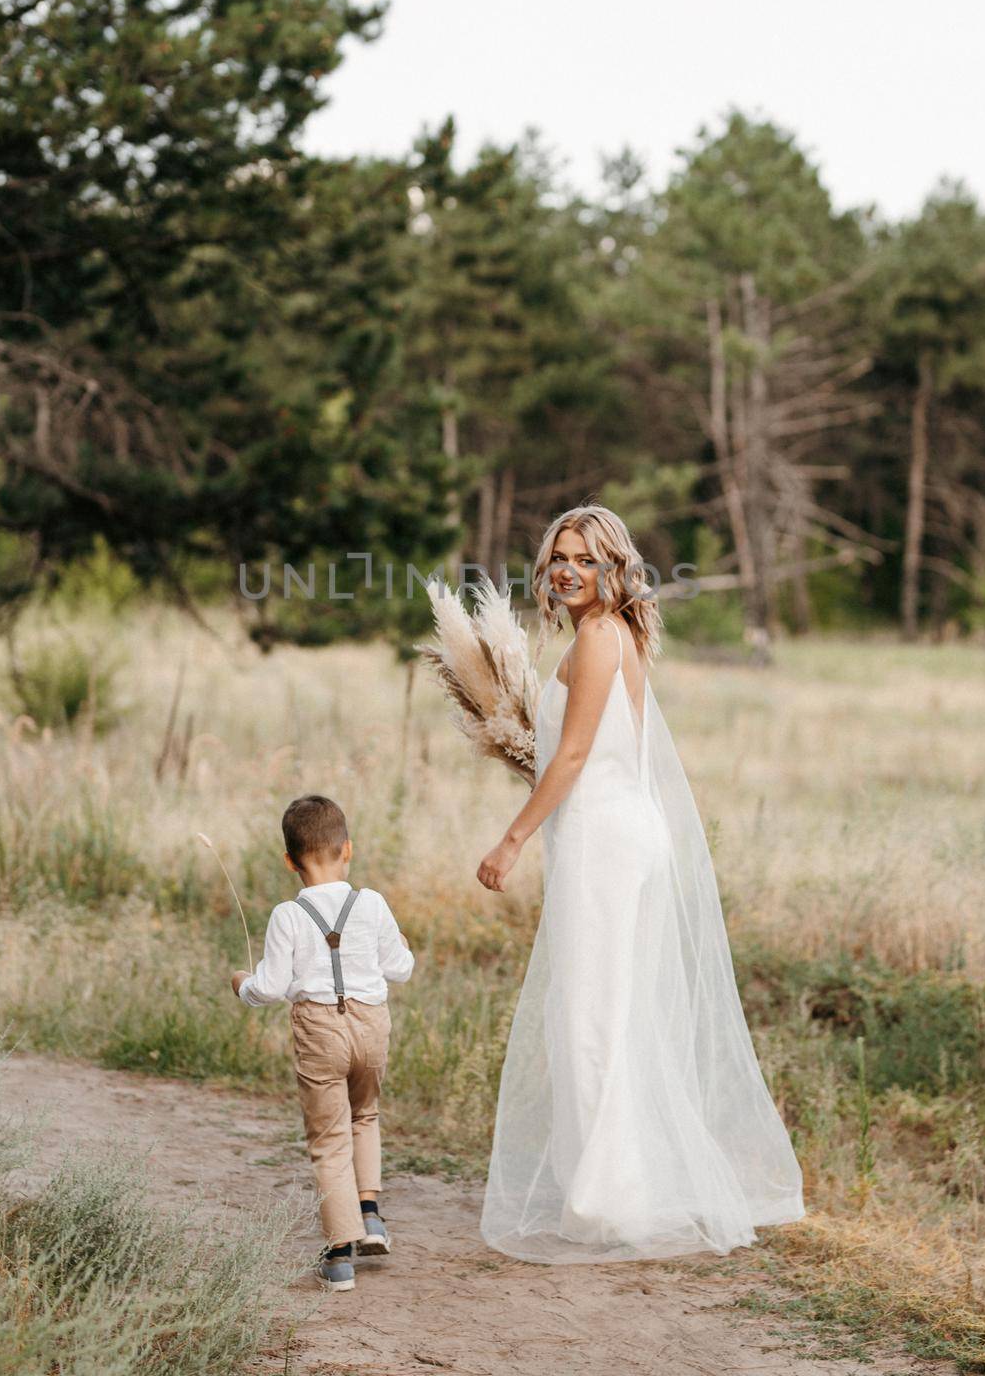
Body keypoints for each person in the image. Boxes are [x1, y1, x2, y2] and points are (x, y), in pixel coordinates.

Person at [476, 504, 805, 1263]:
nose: (567, 569)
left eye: (585, 559)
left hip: (604, 840)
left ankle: (609, 1198)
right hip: (606, 832)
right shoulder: (608, 632)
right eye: (560, 555)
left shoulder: (597, 635)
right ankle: (608, 1186)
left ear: (612, 567)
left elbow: (573, 760)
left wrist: (511, 839)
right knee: (600, 1012)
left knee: (594, 1017)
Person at [232, 793, 415, 1291]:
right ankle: (371, 1215)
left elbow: (270, 986)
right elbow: (401, 968)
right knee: (365, 1115)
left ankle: (339, 1256)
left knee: (328, 1138)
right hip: (372, 1026)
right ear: (348, 849)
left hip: (319, 1031)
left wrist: (242, 984)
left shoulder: (286, 916)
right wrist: (398, 948)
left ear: (289, 860)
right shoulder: (371, 903)